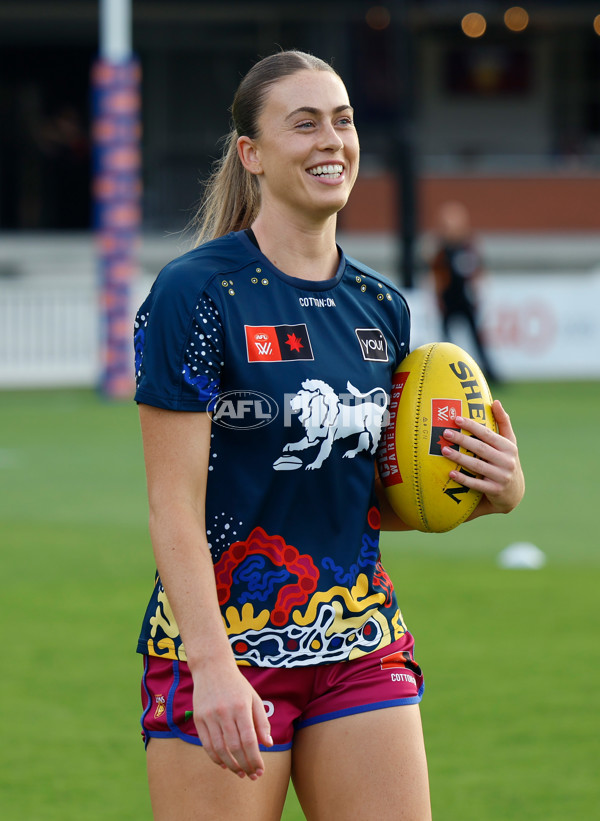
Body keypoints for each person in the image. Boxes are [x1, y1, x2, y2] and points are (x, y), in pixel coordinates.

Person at [133, 50, 524, 821]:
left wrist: (488, 492)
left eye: (342, 121)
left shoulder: (382, 306)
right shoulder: (197, 293)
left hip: (359, 634)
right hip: (226, 646)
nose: (331, 140)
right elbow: (171, 502)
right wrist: (211, 665)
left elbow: (364, 492)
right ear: (252, 154)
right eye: (304, 123)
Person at [430, 200, 499, 383]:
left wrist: (478, 294)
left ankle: (490, 374)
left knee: (477, 339)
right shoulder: (441, 250)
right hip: (448, 300)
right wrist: (438, 298)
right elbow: (436, 276)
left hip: (465, 299)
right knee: (445, 341)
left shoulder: (468, 246)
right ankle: (446, 373)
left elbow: (477, 272)